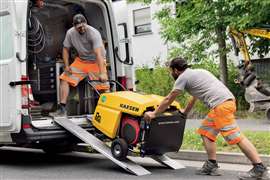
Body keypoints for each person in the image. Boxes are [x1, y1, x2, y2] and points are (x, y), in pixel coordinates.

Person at [144, 57, 269, 180]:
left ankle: (259, 168)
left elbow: (168, 99)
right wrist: (186, 112)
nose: (171, 73)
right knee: (206, 132)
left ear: (176, 70)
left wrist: (154, 114)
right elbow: (194, 97)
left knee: (235, 136)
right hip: (223, 103)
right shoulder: (199, 72)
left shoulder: (182, 78)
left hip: (221, 106)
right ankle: (211, 165)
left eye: (171, 70)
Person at [52, 14, 109, 116]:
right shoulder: (70, 33)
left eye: (83, 26)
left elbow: (98, 54)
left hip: (96, 61)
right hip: (82, 61)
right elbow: (65, 49)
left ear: (86, 23)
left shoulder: (94, 33)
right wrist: (67, 66)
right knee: (64, 79)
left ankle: (106, 112)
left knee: (103, 87)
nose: (82, 28)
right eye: (79, 27)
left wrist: (102, 73)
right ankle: (62, 109)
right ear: (74, 26)